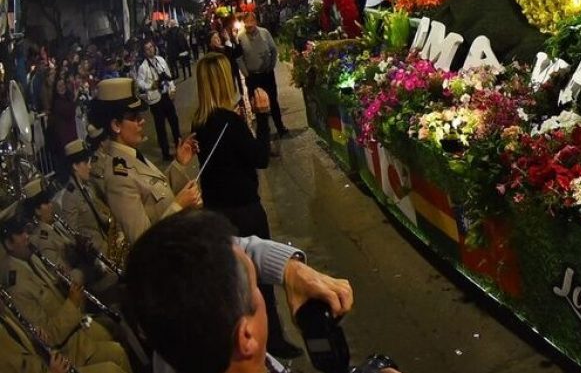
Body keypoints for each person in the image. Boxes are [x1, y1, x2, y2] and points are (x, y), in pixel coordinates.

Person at [122, 210, 387, 373]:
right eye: (254, 286)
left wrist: (290, 270)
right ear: (246, 336)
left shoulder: (173, 338)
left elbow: (230, 249)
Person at [191, 52, 299, 358]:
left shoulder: (199, 121)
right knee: (260, 280)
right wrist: (263, 117)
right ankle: (272, 340)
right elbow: (260, 158)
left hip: (217, 214)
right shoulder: (229, 122)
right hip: (245, 211)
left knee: (235, 281)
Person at [0, 216, 132, 372]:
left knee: (114, 333)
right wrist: (72, 301)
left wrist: (65, 286)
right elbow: (50, 336)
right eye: (20, 234)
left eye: (24, 230)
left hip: (79, 324)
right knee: (116, 356)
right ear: (8, 244)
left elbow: (55, 298)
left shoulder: (31, 258)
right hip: (69, 348)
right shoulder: (16, 286)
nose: (26, 236)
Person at [88, 77, 201, 244]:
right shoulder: (118, 176)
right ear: (116, 125)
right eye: (134, 117)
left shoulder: (129, 156)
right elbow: (142, 241)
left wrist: (178, 163)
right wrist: (178, 207)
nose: (142, 121)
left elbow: (154, 194)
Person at [237, 13, 288, 137]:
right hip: (253, 77)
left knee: (273, 101)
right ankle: (264, 133)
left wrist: (271, 66)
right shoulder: (240, 37)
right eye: (246, 22)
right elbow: (239, 58)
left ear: (255, 22)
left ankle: (280, 127)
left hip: (267, 74)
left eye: (251, 22)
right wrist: (246, 73)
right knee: (257, 106)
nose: (249, 25)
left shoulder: (264, 33)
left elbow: (273, 50)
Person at [135, 39, 181, 161]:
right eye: (147, 48)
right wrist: (150, 86)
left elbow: (168, 75)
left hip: (166, 95)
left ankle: (179, 143)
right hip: (155, 100)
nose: (150, 50)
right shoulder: (143, 67)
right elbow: (139, 83)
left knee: (174, 121)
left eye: (151, 47)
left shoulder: (160, 60)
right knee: (160, 127)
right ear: (144, 52)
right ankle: (166, 153)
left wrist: (172, 89)